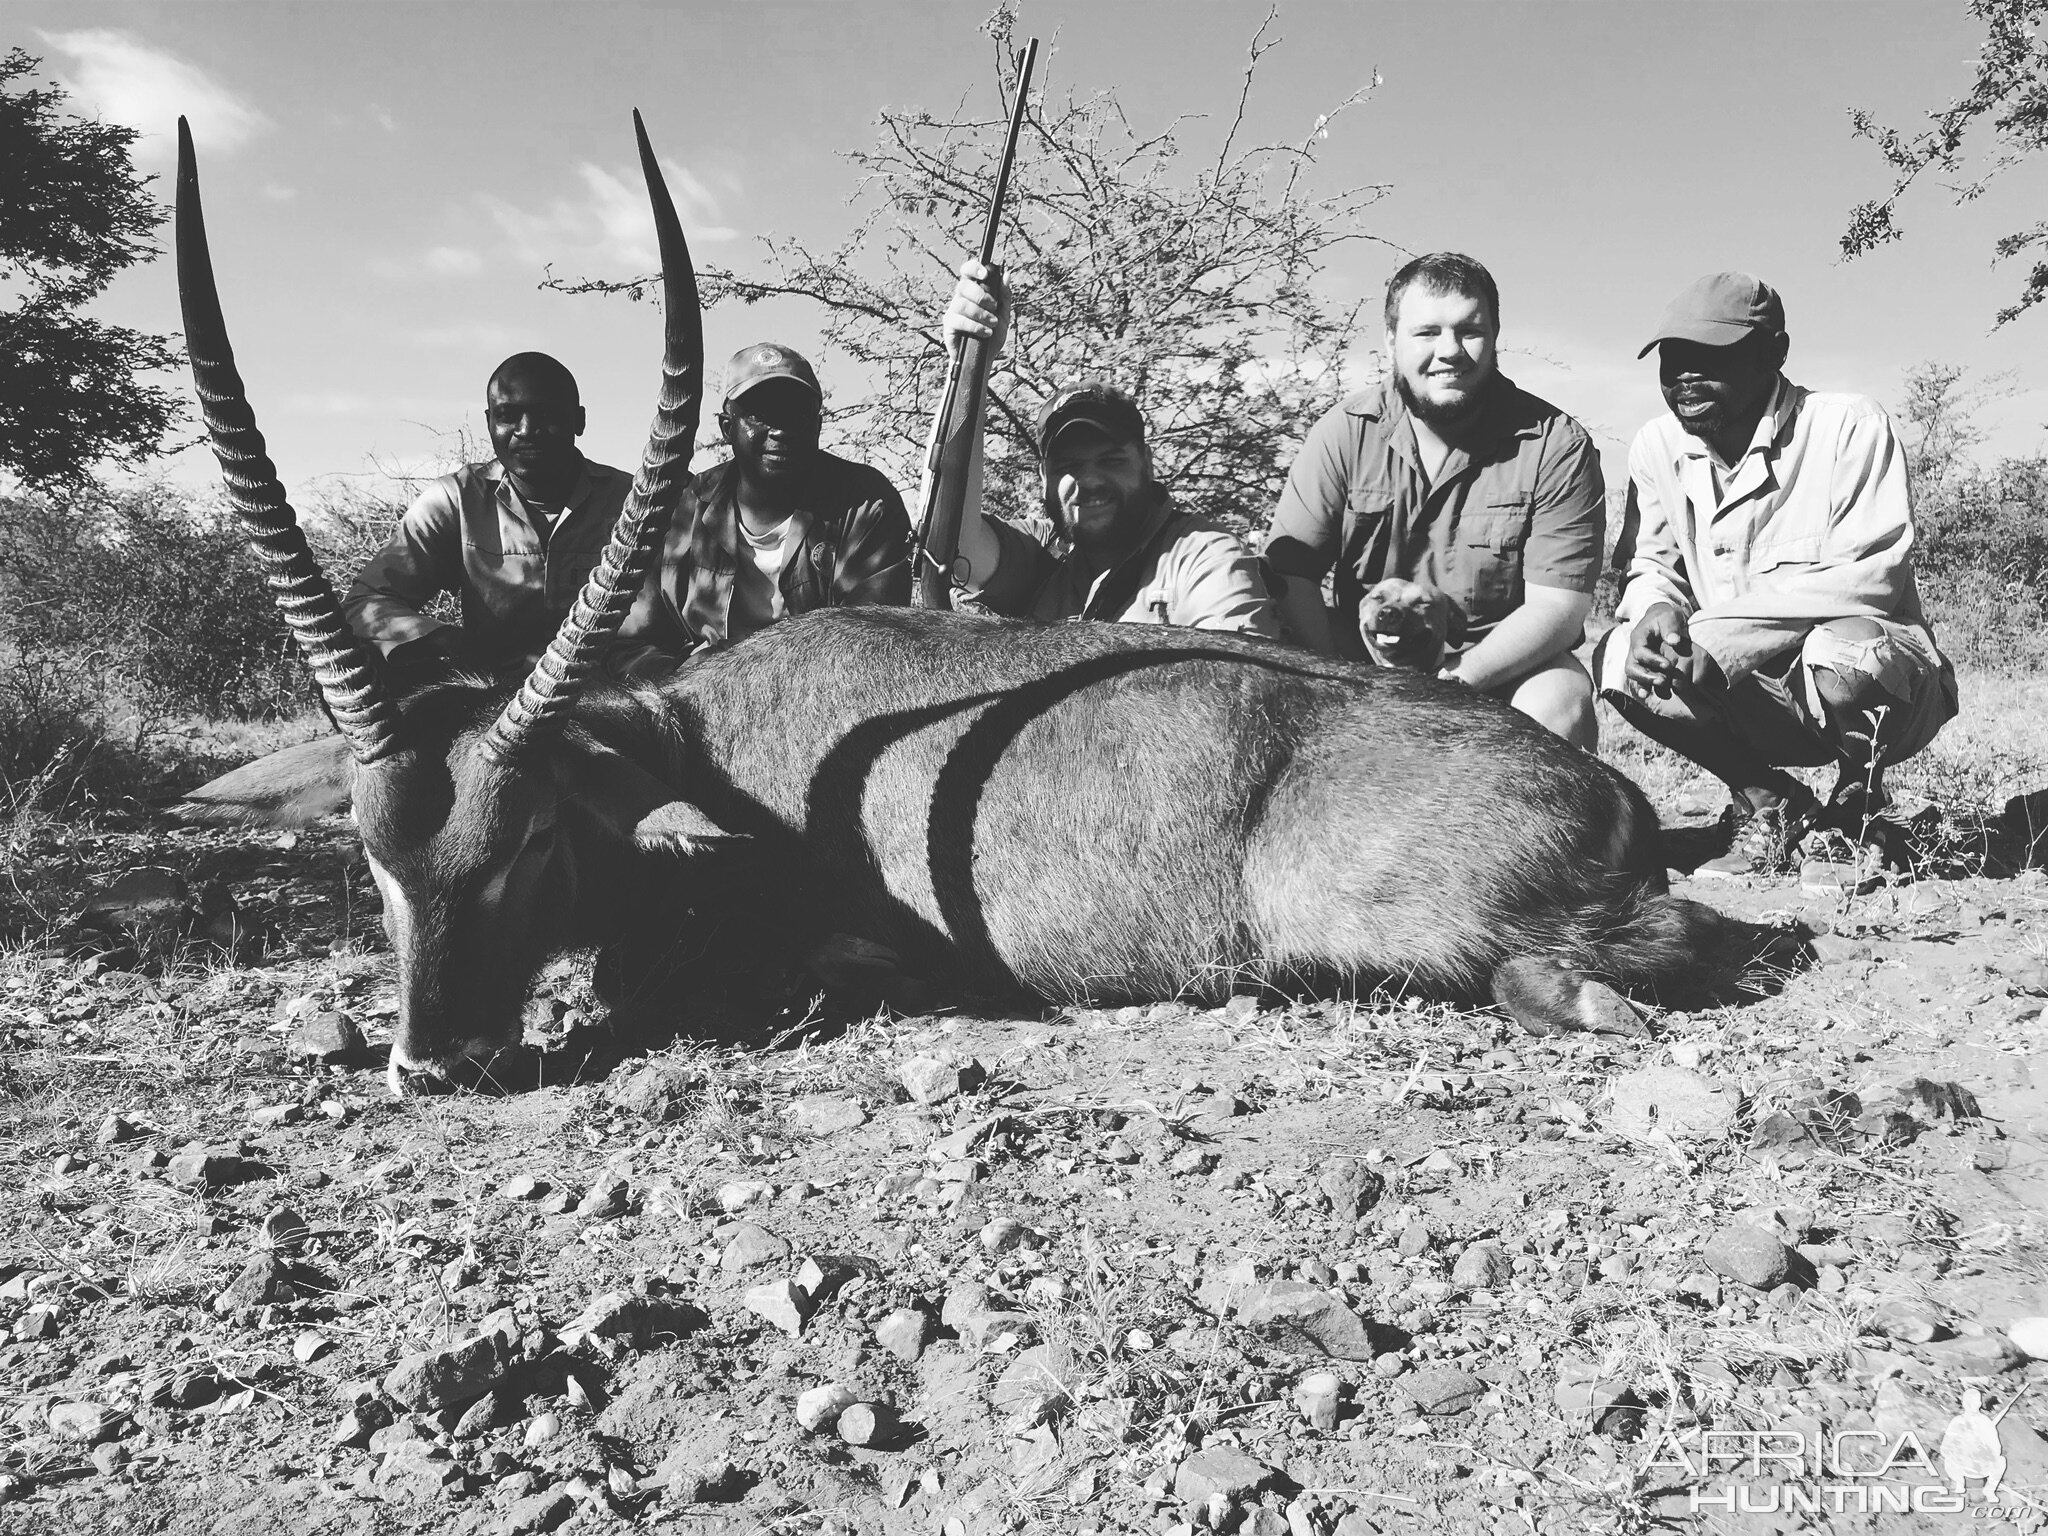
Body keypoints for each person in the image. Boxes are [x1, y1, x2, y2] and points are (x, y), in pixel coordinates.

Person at [1595, 271, 1958, 877]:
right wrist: (1657, 606)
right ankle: (1766, 800)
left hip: (1882, 685)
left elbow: (1868, 580)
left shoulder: (1847, 424)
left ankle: (1858, 809)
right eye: (1672, 357)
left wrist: (1715, 635)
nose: (1684, 373)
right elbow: (1651, 566)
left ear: (1774, 353)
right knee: (1622, 657)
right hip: (1743, 691)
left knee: (1845, 652)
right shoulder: (1656, 446)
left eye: (1711, 355)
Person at [1260, 252, 1608, 748]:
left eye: (1470, 331)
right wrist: (1343, 683)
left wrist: (1450, 684)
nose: (1450, 351)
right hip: (1362, 670)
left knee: (1560, 700)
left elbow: (1559, 608)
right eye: (1427, 333)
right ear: (1390, 340)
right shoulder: (1343, 432)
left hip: (1496, 670)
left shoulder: (1555, 444)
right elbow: (1291, 576)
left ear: (1494, 336)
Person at [929, 262, 1282, 638]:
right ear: (1043, 477)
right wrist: (968, 363)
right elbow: (950, 541)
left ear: (1147, 463)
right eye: (1069, 465)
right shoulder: (1040, 555)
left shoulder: (1205, 557)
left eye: (1112, 460)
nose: (1090, 479)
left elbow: (1235, 689)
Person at [345, 352, 634, 675]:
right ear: (489, 422)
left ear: (578, 420)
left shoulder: (634, 501)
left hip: (615, 695)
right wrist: (449, 643)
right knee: (353, 666)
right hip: (492, 696)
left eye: (546, 414)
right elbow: (365, 602)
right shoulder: (456, 499)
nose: (526, 430)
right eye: (508, 415)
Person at [625, 342, 913, 661]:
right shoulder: (682, 509)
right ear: (727, 428)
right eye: (760, 415)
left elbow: (871, 645)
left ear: (817, 426)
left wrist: (726, 671)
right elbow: (632, 644)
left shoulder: (865, 503)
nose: (780, 431)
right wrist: (678, 688)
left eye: (797, 415)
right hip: (693, 701)